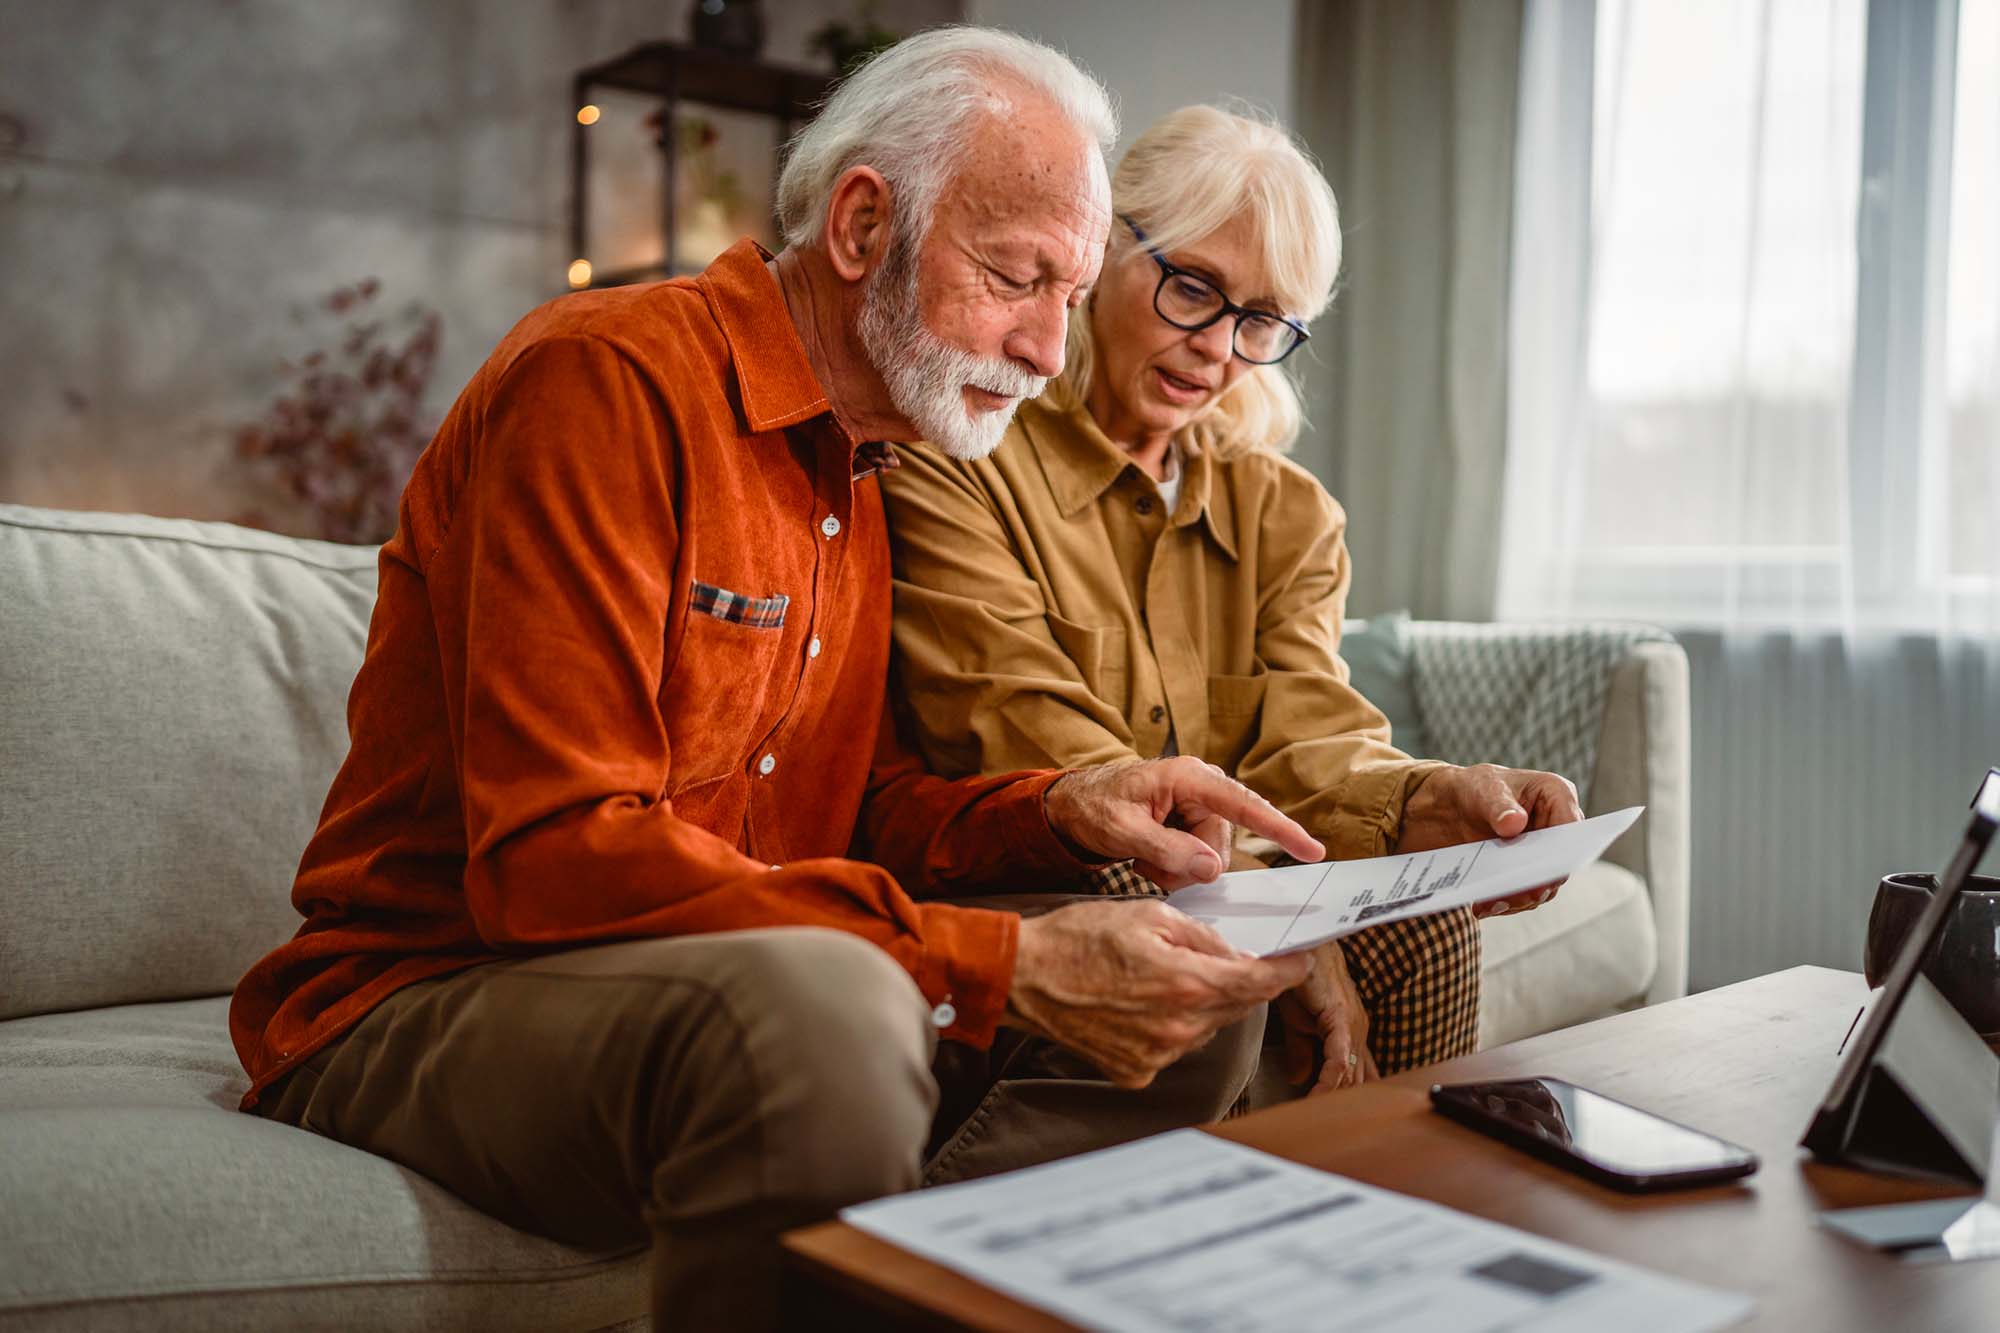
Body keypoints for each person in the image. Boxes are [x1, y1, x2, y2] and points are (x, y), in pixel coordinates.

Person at [228, 36, 1331, 1330]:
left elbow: (844, 816)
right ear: (863, 223)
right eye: (1016, 277)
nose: (1045, 350)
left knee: (1185, 985)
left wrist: (1060, 809)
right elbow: (550, 861)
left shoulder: (858, 472)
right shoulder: (607, 382)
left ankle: (903, 1283)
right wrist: (1000, 961)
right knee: (832, 1007)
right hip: (425, 987)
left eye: (1070, 296)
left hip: (703, 984)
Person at [881, 105, 1583, 1100]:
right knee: (1163, 892)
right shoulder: (961, 452)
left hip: (1218, 867)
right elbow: (1025, 737)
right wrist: (1271, 911)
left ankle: (1380, 1214)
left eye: (1260, 321)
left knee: (1423, 926)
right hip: (1046, 860)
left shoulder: (1287, 513)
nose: (1217, 348)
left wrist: (1432, 799)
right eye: (1192, 288)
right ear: (1095, 249)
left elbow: (1306, 740)